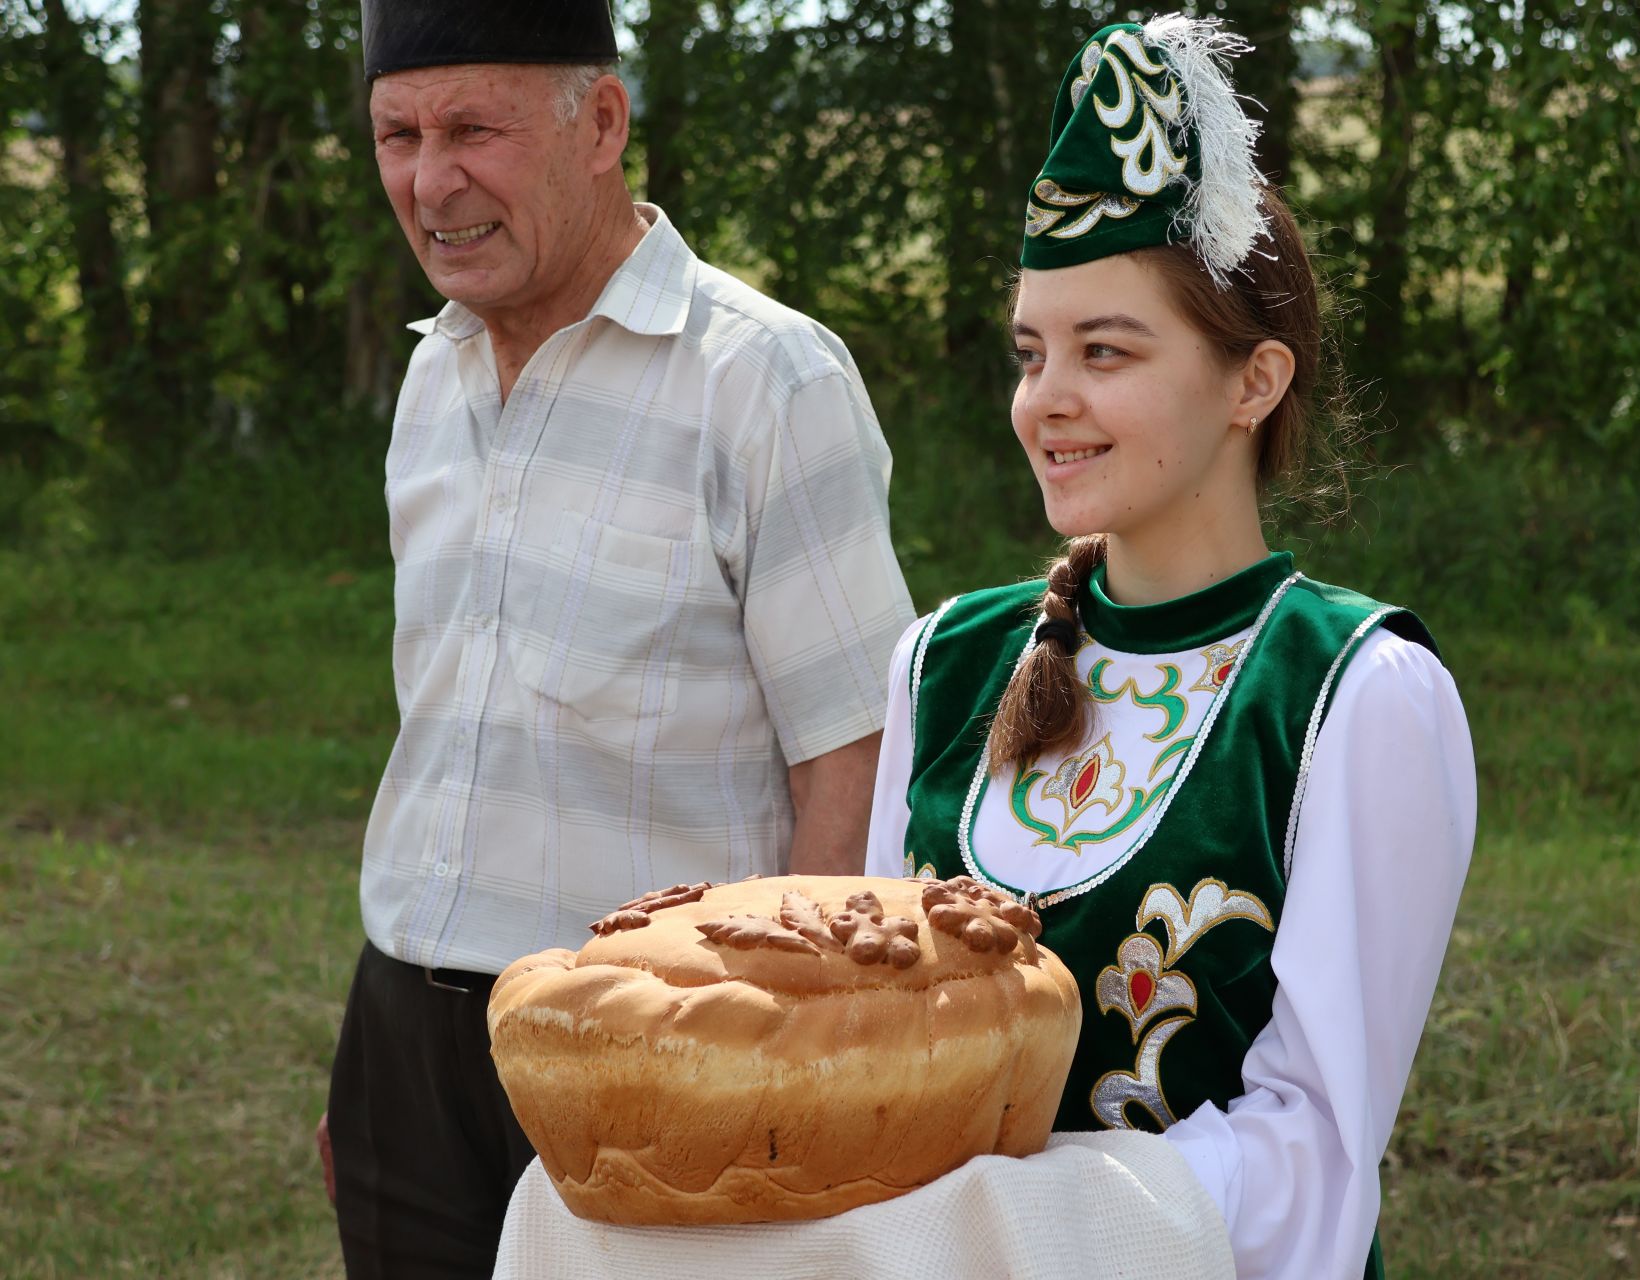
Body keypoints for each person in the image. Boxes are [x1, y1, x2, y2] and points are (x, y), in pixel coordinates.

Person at [861, 15, 1476, 1279]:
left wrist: (1003, 1224)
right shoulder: (947, 662)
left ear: (1253, 382)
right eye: (1032, 353)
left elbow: (1314, 1158)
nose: (1047, 399)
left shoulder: (1351, 692)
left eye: (1106, 351)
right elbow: (879, 1043)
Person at [318, 0, 917, 1274]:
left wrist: (784, 1073)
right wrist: (380, 1077)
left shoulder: (768, 381)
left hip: (660, 1049)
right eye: (397, 134)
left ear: (601, 122)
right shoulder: (432, 374)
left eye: (472, 128)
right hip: (404, 1034)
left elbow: (853, 760)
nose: (432, 182)